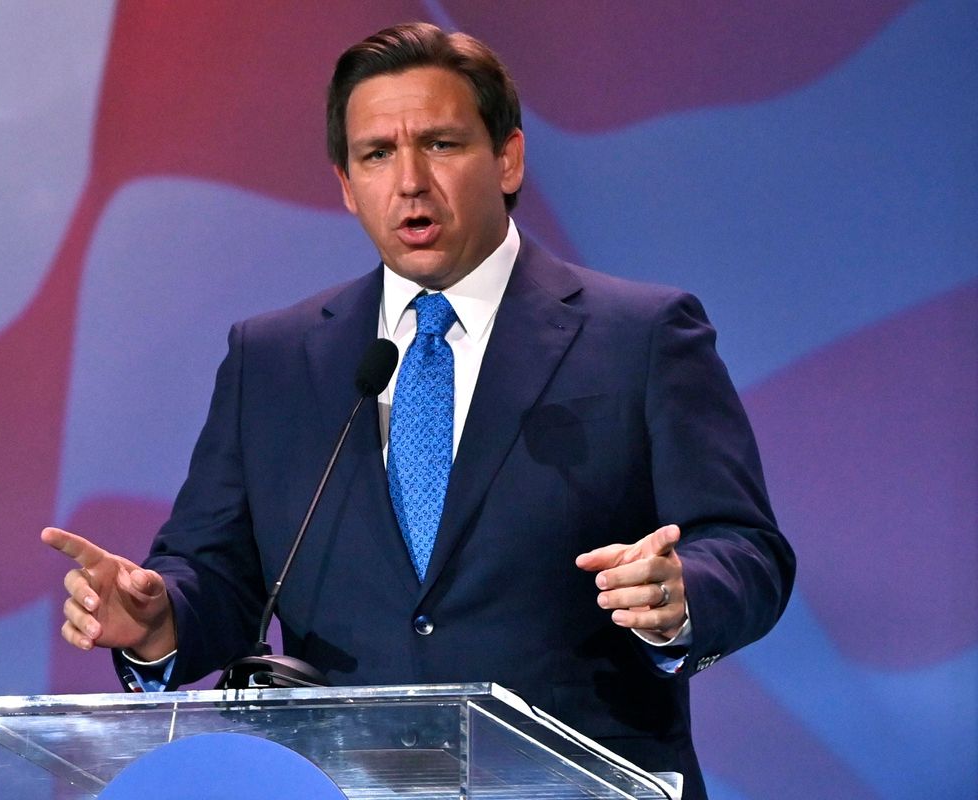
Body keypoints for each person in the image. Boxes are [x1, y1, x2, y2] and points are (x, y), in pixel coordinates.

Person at [43, 22, 795, 799]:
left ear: (507, 157)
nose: (409, 181)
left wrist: (681, 598)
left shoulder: (638, 336)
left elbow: (746, 549)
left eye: (440, 144)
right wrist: (159, 622)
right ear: (345, 183)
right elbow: (217, 573)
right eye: (377, 154)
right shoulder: (272, 360)